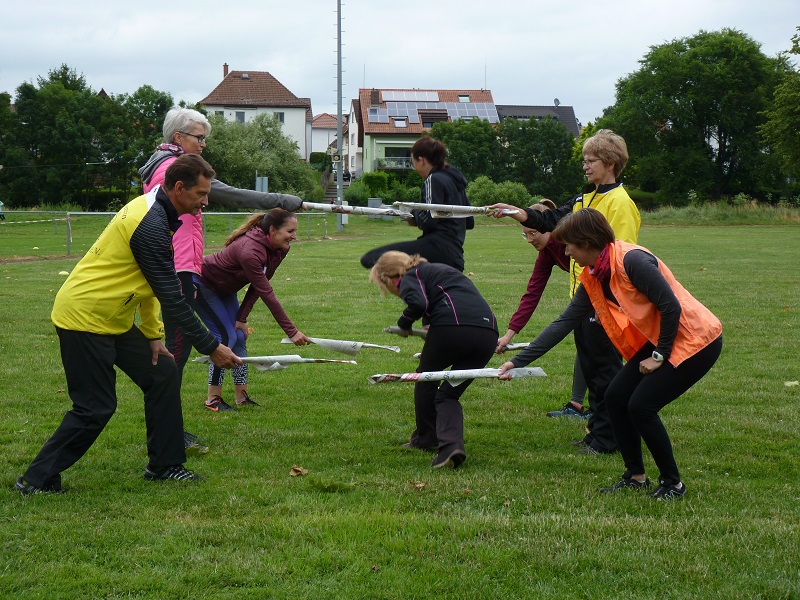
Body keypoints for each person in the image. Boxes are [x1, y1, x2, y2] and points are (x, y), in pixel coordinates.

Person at [14, 155, 243, 494]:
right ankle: (35, 479)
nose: (205, 202)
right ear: (179, 188)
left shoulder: (160, 211)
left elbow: (150, 284)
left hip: (114, 318)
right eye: (201, 194)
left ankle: (165, 466)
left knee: (162, 372)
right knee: (95, 406)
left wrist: (153, 336)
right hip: (84, 317)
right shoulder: (149, 222)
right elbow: (172, 298)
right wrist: (212, 346)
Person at [498, 209, 722, 499]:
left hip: (695, 340)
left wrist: (658, 357)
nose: (566, 252)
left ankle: (673, 484)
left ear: (588, 242)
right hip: (661, 340)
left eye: (570, 246)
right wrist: (516, 362)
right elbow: (564, 322)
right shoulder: (593, 275)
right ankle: (636, 476)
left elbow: (671, 307)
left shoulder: (632, 260)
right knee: (616, 397)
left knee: (641, 406)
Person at [139, 108, 304, 445]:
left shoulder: (160, 163)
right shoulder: (172, 168)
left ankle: (172, 426)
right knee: (177, 352)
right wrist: (280, 201)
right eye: (198, 138)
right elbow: (225, 192)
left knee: (180, 352)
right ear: (178, 139)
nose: (203, 144)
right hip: (179, 269)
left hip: (181, 265)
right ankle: (170, 430)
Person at [489, 129, 641, 455]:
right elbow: (555, 220)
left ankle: (609, 438)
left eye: (591, 161)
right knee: (591, 367)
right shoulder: (586, 198)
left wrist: (604, 302)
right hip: (583, 298)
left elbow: (620, 255)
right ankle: (597, 432)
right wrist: (520, 213)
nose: (585, 166)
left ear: (611, 162)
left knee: (605, 371)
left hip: (606, 302)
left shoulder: (619, 203)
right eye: (584, 161)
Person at [370, 251, 498, 469]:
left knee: (426, 379)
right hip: (488, 334)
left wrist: (404, 324)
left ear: (388, 277)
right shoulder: (437, 272)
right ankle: (451, 447)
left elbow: (418, 303)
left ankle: (426, 438)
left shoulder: (411, 274)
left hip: (452, 328)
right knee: (448, 394)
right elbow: (440, 299)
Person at [193, 209, 311, 412]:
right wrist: (292, 332)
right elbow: (267, 294)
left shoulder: (280, 249)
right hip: (203, 285)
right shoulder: (249, 250)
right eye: (290, 231)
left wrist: (242, 318)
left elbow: (259, 286)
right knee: (224, 339)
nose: (294, 236)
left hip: (226, 290)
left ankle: (242, 396)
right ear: (273, 230)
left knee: (239, 336)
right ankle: (213, 399)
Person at [495, 199, 590, 420]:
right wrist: (509, 334)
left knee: (595, 344)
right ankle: (577, 406)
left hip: (603, 292)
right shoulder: (547, 253)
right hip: (586, 295)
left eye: (533, 233)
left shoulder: (568, 242)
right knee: (586, 342)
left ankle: (602, 408)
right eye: (525, 234)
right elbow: (532, 293)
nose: (529, 240)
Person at [360, 136, 473, 272]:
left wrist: (412, 214)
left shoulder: (433, 179)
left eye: (413, 161)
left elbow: (428, 221)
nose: (413, 167)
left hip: (438, 248)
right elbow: (469, 221)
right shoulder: (455, 180)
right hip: (455, 255)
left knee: (371, 259)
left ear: (421, 160)